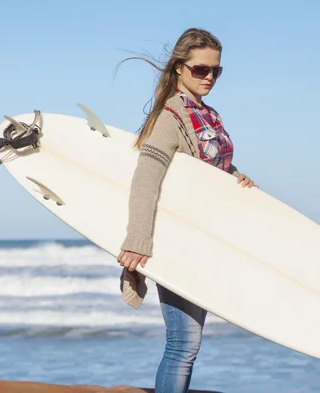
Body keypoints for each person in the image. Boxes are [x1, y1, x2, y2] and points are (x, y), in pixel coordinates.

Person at [116, 28, 256, 393]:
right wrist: (138, 241)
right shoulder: (171, 118)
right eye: (200, 69)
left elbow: (206, 170)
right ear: (179, 68)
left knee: (188, 345)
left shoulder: (208, 114)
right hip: (176, 240)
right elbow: (146, 180)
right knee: (183, 343)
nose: (209, 77)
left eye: (216, 71)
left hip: (205, 239)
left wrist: (237, 178)